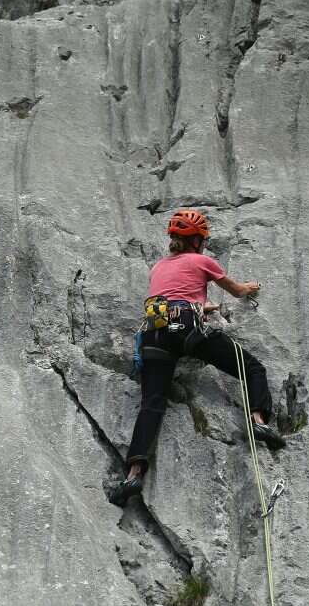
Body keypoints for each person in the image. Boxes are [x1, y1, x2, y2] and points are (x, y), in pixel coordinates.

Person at [109, 209, 285, 507]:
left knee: (151, 404)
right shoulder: (202, 261)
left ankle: (133, 475)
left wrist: (205, 306)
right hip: (188, 329)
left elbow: (177, 296)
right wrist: (252, 287)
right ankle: (258, 421)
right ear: (197, 241)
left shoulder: (158, 267)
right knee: (253, 368)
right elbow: (238, 290)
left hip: (155, 333)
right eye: (203, 239)